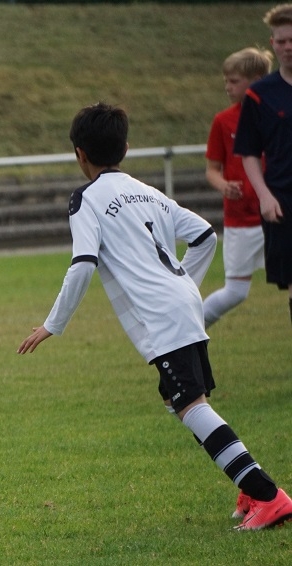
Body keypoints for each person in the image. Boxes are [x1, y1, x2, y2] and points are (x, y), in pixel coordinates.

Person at [18, 102, 291, 530]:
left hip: (166, 315)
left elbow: (83, 262)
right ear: (126, 148)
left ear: (79, 154)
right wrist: (182, 285)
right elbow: (204, 235)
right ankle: (247, 485)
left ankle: (267, 494)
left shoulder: (85, 199)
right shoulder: (147, 191)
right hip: (184, 305)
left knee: (191, 405)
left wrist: (53, 324)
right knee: (178, 400)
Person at [202, 48, 273, 328]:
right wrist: (223, 185)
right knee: (235, 292)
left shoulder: (278, 113)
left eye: (233, 81)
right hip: (241, 219)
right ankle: (186, 335)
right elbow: (212, 170)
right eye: (226, 81)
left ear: (256, 81)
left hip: (278, 215)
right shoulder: (223, 121)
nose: (227, 87)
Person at [234, 4, 292, 326]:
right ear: (272, 43)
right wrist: (264, 196)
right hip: (283, 200)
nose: (288, 47)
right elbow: (249, 152)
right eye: (281, 41)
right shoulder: (259, 95)